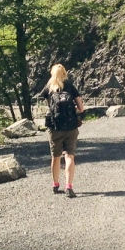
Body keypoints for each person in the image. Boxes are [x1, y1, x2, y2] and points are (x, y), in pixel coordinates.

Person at [41, 64, 84, 198]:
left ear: (52, 74)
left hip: (55, 128)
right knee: (69, 156)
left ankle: (55, 184)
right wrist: (72, 112)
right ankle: (68, 186)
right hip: (71, 127)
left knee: (56, 156)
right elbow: (81, 108)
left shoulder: (49, 88)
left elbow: (47, 106)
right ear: (65, 73)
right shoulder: (70, 86)